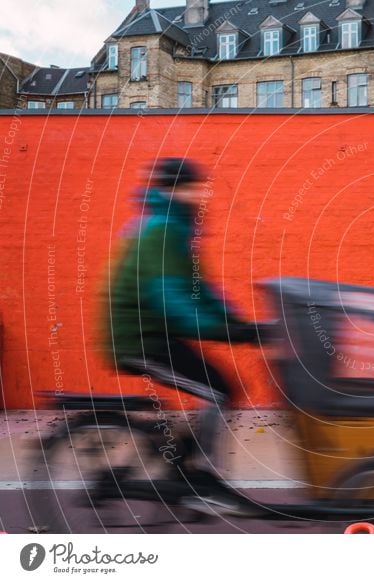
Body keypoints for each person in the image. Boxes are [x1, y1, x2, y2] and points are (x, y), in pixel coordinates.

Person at [103, 157, 262, 516]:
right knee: (218, 390)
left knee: (217, 387)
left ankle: (184, 467)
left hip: (155, 333)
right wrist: (230, 331)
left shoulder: (175, 227)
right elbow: (173, 300)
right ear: (172, 191)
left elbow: (199, 291)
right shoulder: (161, 230)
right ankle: (202, 481)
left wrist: (240, 324)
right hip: (140, 339)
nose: (201, 193)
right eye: (193, 187)